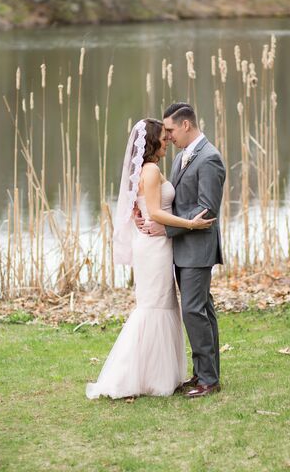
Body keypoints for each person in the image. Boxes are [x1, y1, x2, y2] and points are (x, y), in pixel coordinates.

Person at [86, 118, 215, 400]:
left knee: (160, 306)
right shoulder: (152, 170)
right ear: (151, 143)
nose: (167, 140)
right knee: (154, 307)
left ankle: (157, 375)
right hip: (155, 246)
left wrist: (139, 211)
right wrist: (190, 224)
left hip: (154, 244)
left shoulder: (143, 171)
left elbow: (140, 205)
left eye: (169, 135)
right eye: (163, 137)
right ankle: (135, 375)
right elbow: (155, 213)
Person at [137, 103, 226, 398]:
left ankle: (209, 380)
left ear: (186, 125)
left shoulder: (210, 158)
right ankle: (204, 373)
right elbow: (171, 203)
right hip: (180, 247)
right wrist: (146, 215)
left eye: (172, 130)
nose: (169, 136)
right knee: (202, 310)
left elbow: (207, 210)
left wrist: (166, 228)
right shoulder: (180, 159)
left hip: (198, 249)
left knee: (193, 311)